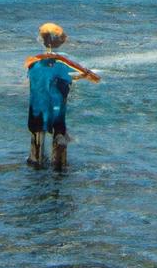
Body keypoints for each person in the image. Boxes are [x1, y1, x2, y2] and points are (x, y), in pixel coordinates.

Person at [25, 22, 101, 171]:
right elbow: (91, 75)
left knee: (36, 140)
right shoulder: (62, 61)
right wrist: (83, 77)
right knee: (59, 134)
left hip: (37, 108)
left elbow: (32, 79)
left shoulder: (32, 61)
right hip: (57, 106)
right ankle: (59, 166)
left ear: (42, 39)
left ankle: (36, 164)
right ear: (59, 41)